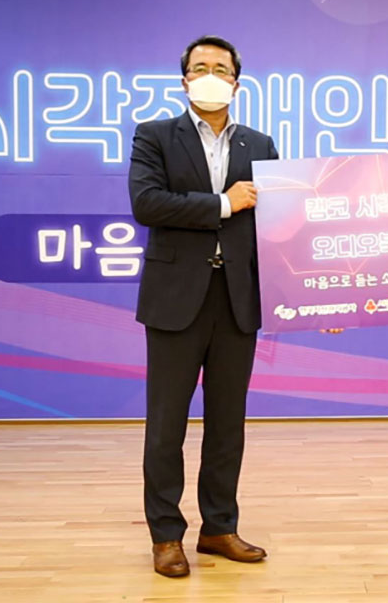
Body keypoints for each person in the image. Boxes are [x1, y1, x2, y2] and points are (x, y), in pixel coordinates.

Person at [128, 35, 275, 578]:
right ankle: (166, 535)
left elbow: (278, 227)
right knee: (166, 425)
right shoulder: (155, 135)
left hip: (237, 299)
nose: (210, 75)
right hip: (175, 299)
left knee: (227, 424)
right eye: (200, 67)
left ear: (237, 82)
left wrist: (315, 298)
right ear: (184, 79)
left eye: (221, 68)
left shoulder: (260, 144)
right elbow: (147, 203)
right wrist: (222, 204)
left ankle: (219, 527)